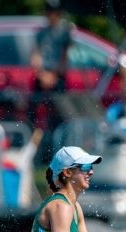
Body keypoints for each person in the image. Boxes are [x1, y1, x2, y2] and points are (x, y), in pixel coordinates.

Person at [29, 0, 72, 163]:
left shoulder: (64, 32)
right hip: (43, 76)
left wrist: (53, 75)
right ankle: (37, 148)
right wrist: (42, 74)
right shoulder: (42, 33)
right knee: (34, 111)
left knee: (58, 114)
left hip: (57, 77)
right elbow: (36, 56)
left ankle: (59, 150)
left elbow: (64, 56)